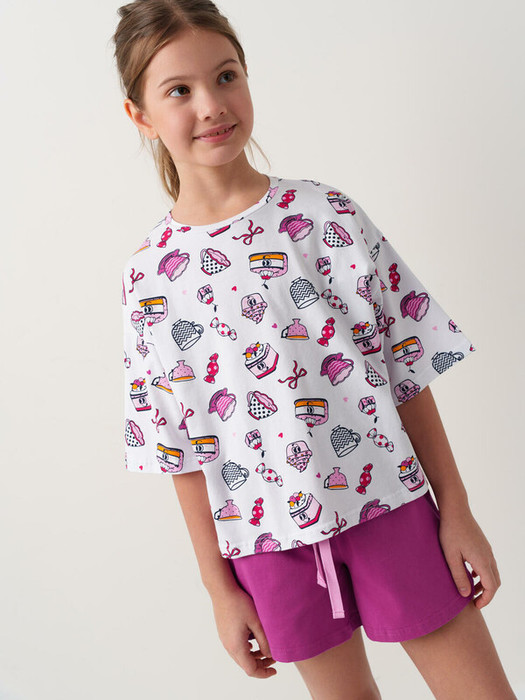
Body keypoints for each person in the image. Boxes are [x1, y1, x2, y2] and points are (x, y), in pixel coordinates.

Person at [113, 1, 516, 697]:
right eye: (179, 90)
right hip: (268, 545)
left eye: (226, 76)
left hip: (389, 507)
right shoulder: (150, 277)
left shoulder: (324, 217)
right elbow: (180, 447)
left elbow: (405, 373)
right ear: (140, 115)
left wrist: (456, 510)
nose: (211, 105)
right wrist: (219, 590)